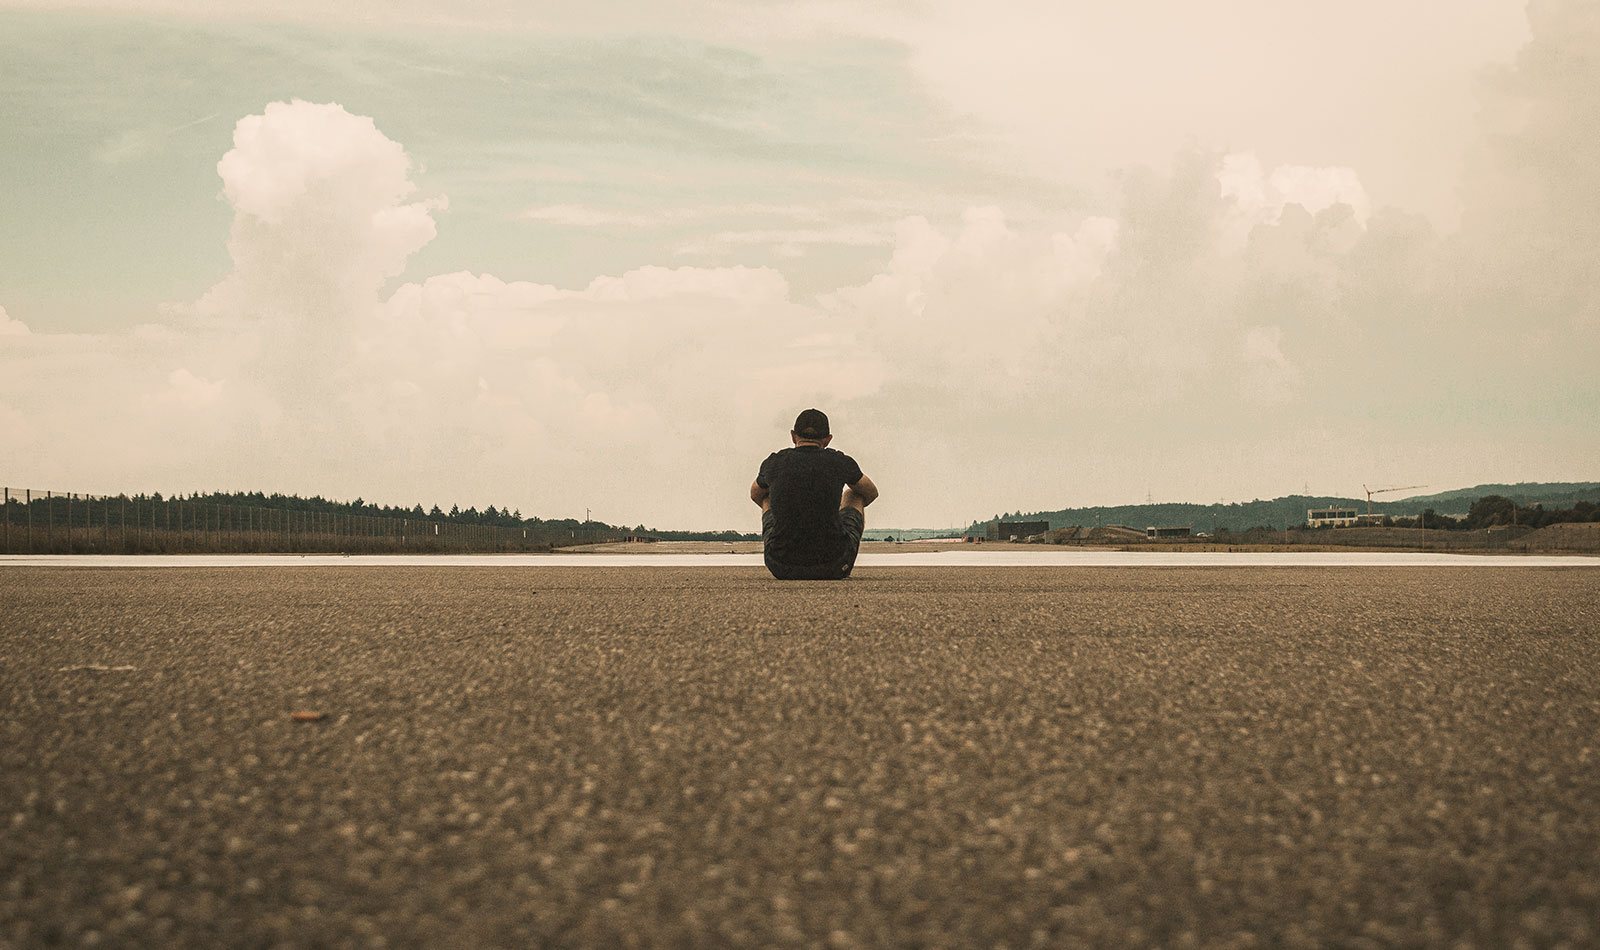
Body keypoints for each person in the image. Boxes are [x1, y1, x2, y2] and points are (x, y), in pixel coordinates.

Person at [750, 408, 879, 580]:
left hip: (781, 565)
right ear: (827, 440)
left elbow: (755, 494)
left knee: (767, 495)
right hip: (834, 565)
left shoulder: (775, 462)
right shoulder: (839, 461)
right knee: (852, 494)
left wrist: (788, 507)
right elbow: (870, 492)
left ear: (793, 436)